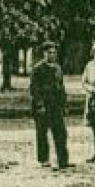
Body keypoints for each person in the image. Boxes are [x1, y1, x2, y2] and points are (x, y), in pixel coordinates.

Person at [29, 40, 70, 170]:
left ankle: (63, 160)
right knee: (42, 133)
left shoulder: (58, 68)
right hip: (43, 105)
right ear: (44, 53)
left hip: (56, 105)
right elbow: (34, 89)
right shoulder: (38, 69)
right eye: (49, 52)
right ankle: (44, 159)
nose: (52, 55)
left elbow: (61, 87)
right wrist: (40, 105)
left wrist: (64, 104)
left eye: (54, 52)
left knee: (61, 133)